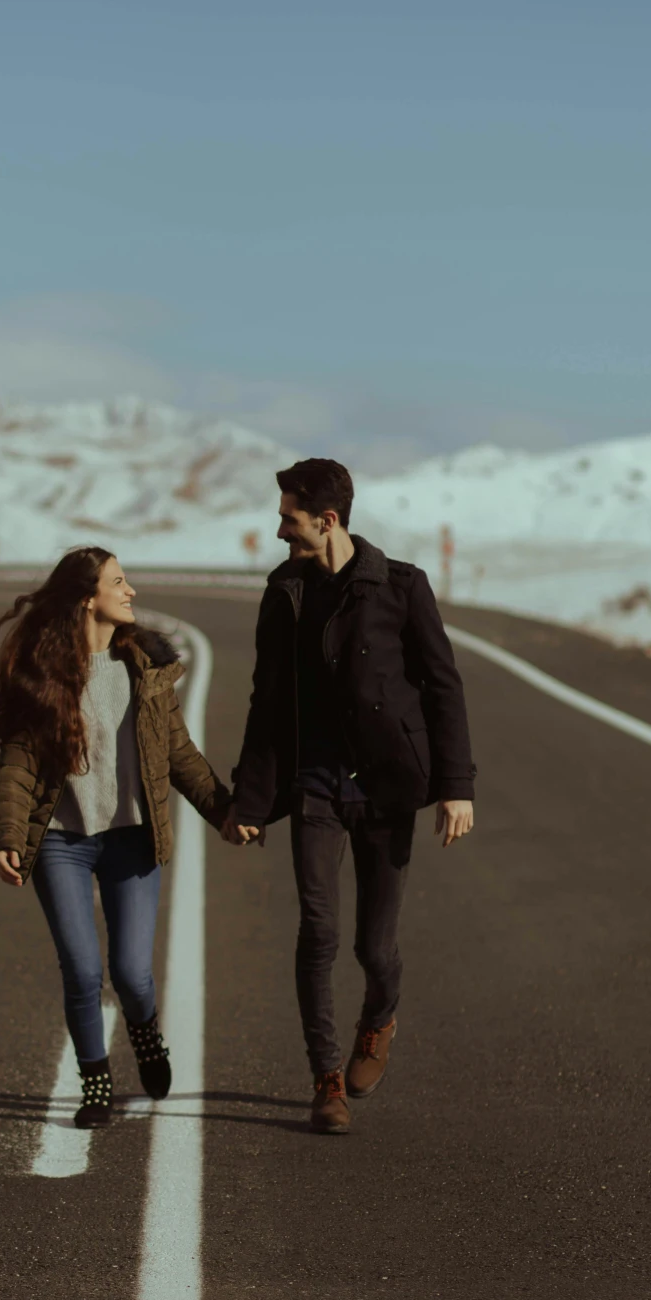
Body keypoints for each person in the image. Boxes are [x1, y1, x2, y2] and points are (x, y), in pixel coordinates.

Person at [223, 458, 476, 1135]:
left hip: (388, 784)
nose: (280, 531)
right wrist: (250, 802)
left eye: (288, 518)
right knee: (318, 932)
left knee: (374, 948)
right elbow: (267, 700)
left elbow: (443, 687)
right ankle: (325, 1080)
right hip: (315, 784)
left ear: (325, 520)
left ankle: (379, 1019)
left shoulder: (400, 588)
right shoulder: (285, 591)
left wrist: (455, 788)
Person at [0, 546, 233, 1129]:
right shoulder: (42, 676)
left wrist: (224, 812)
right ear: (88, 597)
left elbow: (178, 752)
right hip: (62, 841)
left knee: (133, 974)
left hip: (131, 840)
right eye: (119, 582)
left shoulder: (144, 667)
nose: (131, 591)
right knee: (82, 969)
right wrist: (7, 835)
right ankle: (95, 1082)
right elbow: (16, 765)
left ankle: (146, 1035)